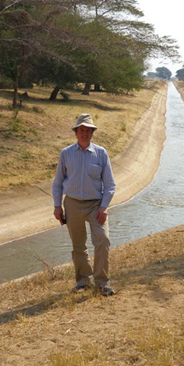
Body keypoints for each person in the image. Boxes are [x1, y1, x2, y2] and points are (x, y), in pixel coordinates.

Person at [52, 113, 116, 296]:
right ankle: (83, 282)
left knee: (103, 240)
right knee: (78, 245)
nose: (85, 133)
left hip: (96, 205)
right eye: (82, 130)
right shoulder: (66, 154)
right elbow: (57, 183)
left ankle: (102, 283)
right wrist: (58, 206)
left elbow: (110, 184)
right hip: (71, 204)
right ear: (76, 132)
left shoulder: (101, 153)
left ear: (92, 133)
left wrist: (104, 207)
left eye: (88, 130)